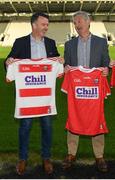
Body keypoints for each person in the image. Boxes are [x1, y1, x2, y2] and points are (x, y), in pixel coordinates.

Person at [4, 12, 63, 175]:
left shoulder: (51, 43)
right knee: (25, 127)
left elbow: (56, 62)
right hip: (27, 99)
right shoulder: (20, 42)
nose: (46, 27)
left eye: (47, 25)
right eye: (44, 24)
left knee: (47, 126)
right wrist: (8, 62)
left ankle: (46, 158)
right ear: (34, 25)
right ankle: (23, 159)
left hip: (45, 98)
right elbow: (9, 61)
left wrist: (60, 61)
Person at [62, 11, 110, 172]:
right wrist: (65, 67)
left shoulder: (101, 42)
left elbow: (106, 63)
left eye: (80, 21)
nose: (77, 24)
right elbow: (66, 65)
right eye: (75, 22)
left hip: (94, 89)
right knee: (74, 116)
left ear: (88, 22)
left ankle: (99, 156)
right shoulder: (69, 45)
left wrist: (105, 71)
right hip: (77, 90)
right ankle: (71, 154)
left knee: (97, 117)